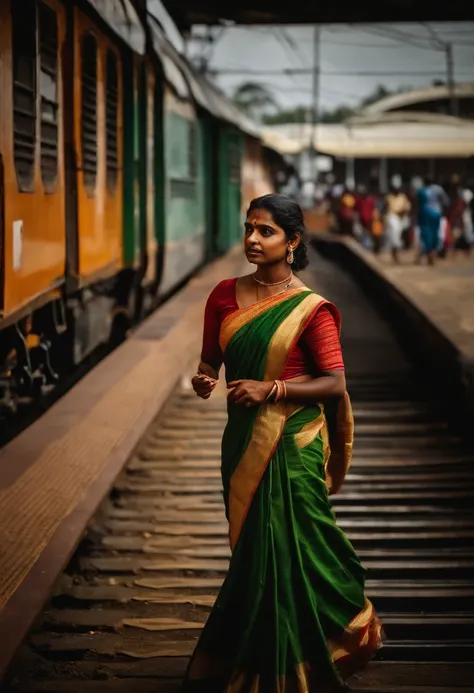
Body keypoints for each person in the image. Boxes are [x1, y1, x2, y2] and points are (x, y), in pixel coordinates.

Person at [183, 194, 383, 693]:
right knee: (256, 549)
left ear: (292, 242)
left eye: (266, 231)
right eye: (249, 227)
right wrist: (204, 379)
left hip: (294, 443)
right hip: (243, 440)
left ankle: (323, 637)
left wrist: (271, 389)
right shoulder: (224, 296)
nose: (252, 238)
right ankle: (256, 644)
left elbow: (334, 383)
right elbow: (210, 361)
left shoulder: (311, 309)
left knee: (300, 540)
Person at [416, 177, 449, 266]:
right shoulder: (439, 189)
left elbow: (417, 204)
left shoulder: (421, 191)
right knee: (435, 233)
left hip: (425, 214)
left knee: (426, 234)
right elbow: (446, 202)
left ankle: (429, 253)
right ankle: (432, 254)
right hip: (436, 214)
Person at [384, 185, 412, 263]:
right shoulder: (389, 197)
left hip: (401, 217)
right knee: (394, 233)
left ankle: (395, 252)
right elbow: (385, 207)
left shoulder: (402, 197)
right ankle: (394, 252)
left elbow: (407, 207)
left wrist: (404, 212)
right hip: (392, 216)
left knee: (398, 235)